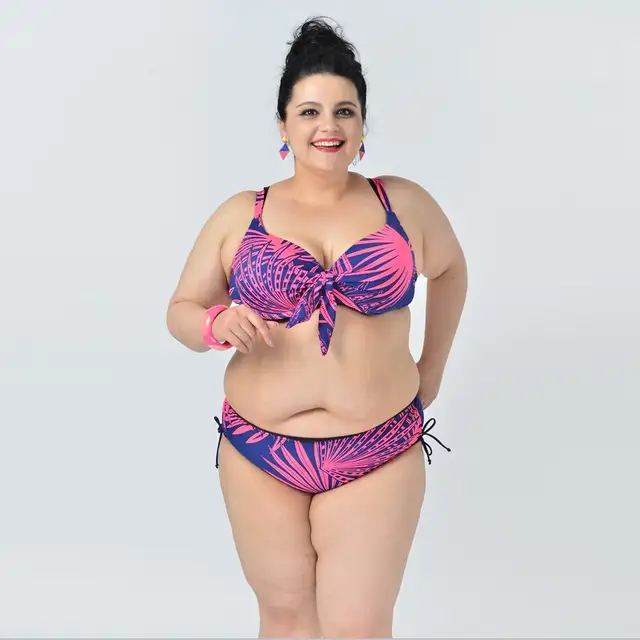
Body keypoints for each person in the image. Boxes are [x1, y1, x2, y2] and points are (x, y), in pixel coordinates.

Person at [166, 16, 467, 640]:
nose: (327, 126)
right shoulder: (240, 214)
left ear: (362, 126)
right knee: (285, 619)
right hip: (259, 451)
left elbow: (451, 271)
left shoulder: (402, 204)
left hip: (377, 449)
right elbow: (181, 311)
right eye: (309, 112)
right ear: (283, 125)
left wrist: (431, 369)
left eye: (344, 111)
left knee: (358, 625)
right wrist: (217, 322)